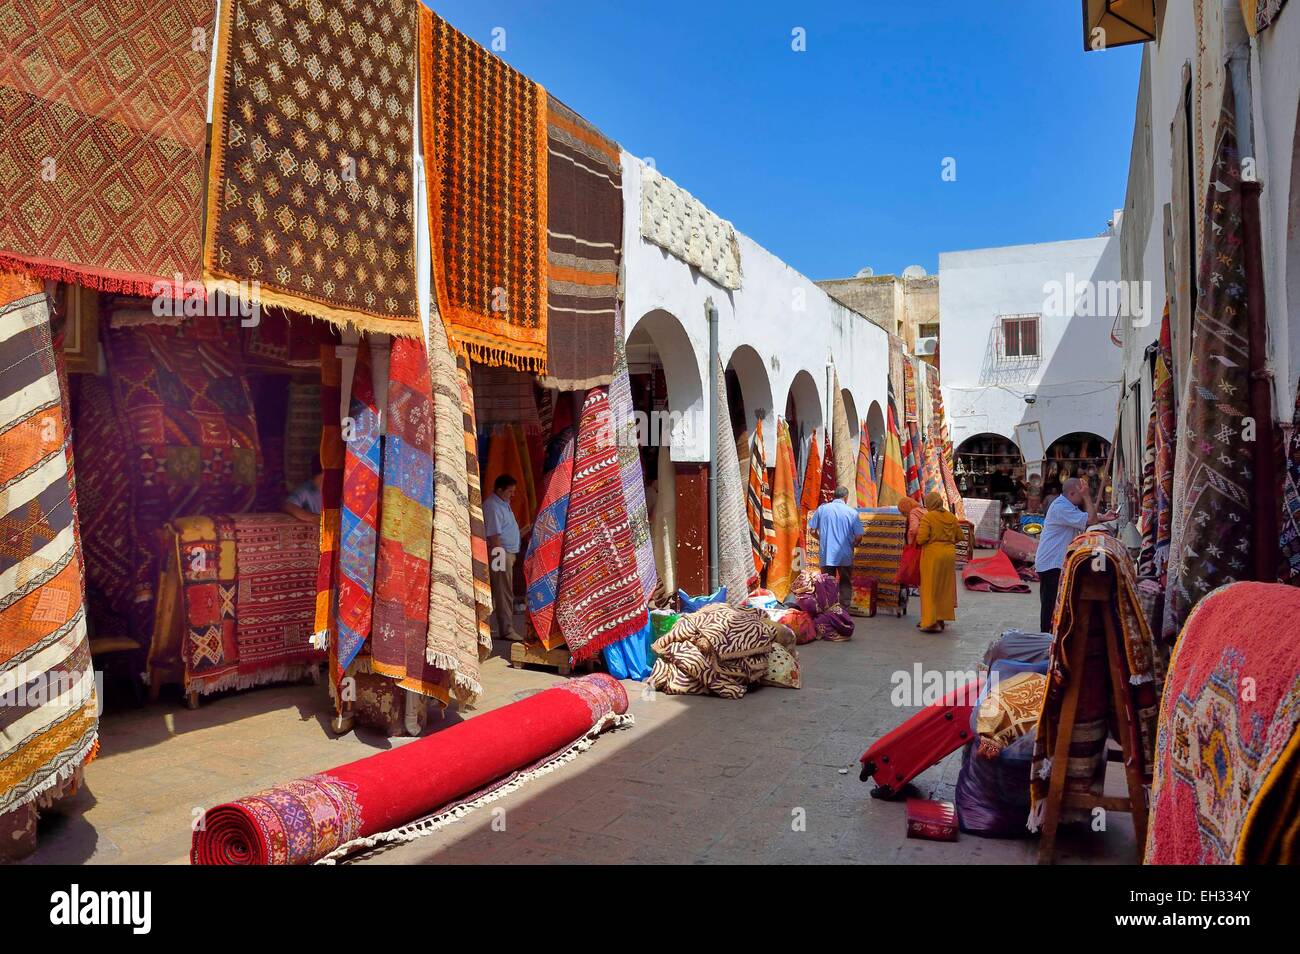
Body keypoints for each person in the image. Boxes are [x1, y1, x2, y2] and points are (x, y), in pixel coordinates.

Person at [1033, 476, 1117, 633]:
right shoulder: (1060, 508)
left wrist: (1104, 517)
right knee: (1050, 606)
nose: (1083, 497)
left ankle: (1052, 636)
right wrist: (1087, 497)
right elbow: (1090, 519)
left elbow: (1088, 518)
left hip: (1056, 562)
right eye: (1080, 493)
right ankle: (1045, 640)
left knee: (1056, 604)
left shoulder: (1067, 506)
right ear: (1072, 493)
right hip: (1051, 563)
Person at [484, 473, 526, 642]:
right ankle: (507, 629)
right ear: (499, 490)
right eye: (509, 491)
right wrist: (500, 559)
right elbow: (494, 537)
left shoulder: (503, 503)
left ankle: (503, 627)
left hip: (506, 553)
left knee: (504, 590)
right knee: (503, 591)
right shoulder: (493, 506)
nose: (512, 495)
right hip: (500, 553)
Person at [808, 486, 863, 607]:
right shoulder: (852, 512)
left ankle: (829, 607)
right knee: (845, 581)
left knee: (828, 582)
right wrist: (853, 544)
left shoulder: (822, 509)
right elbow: (859, 536)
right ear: (846, 497)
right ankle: (844, 607)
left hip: (827, 553)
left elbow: (812, 531)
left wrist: (821, 539)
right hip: (845, 554)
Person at [916, 491, 960, 633]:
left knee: (930, 588)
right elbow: (960, 536)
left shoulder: (928, 517)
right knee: (944, 588)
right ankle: (940, 619)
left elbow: (921, 539)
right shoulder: (951, 517)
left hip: (933, 555)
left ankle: (931, 622)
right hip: (949, 554)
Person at [894, 496, 926, 591]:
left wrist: (910, 542)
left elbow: (914, 529)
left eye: (903, 512)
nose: (903, 514)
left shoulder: (913, 512)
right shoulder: (921, 509)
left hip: (918, 543)